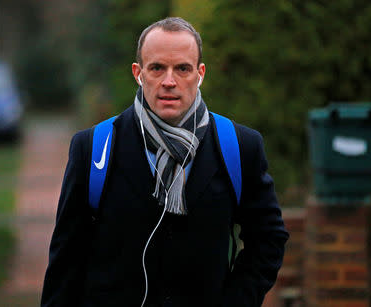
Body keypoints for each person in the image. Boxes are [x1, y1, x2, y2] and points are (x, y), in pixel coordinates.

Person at [41, 17, 289, 307]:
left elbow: (269, 239)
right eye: (157, 68)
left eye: (182, 68)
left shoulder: (240, 147)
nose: (169, 81)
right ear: (139, 73)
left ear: (200, 74)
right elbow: (66, 257)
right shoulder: (93, 148)